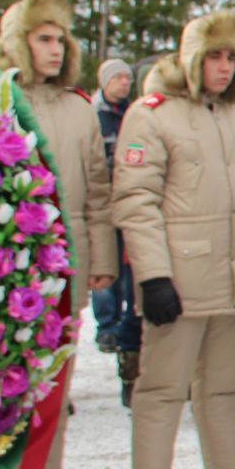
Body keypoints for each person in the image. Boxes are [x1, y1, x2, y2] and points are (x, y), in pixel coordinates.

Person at [113, 10, 235, 469]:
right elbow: (136, 200)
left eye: (232, 56)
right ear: (191, 58)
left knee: (221, 385)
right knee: (162, 387)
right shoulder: (152, 114)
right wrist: (153, 276)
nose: (224, 66)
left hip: (231, 274)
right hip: (180, 279)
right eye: (214, 55)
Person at [0, 0, 119, 469]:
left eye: (61, 40)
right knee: (2, 389)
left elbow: (98, 193)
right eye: (44, 39)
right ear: (19, 42)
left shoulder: (78, 108)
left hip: (65, 271)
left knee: (52, 390)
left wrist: (100, 259)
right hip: (3, 275)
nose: (56, 50)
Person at [91, 59, 137, 355]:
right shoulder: (94, 115)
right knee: (106, 266)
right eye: (118, 78)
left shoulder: (134, 114)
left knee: (128, 268)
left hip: (128, 202)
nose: (124, 82)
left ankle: (125, 323)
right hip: (105, 203)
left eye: (127, 78)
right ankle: (106, 325)